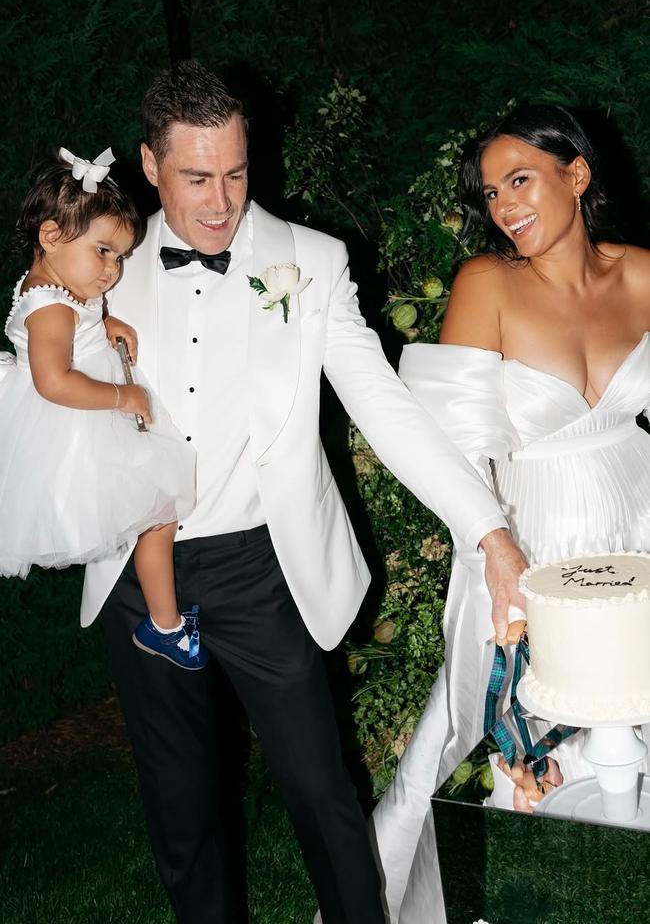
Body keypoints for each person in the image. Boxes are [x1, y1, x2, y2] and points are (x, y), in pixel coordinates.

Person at [83, 59, 524, 924]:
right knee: (182, 808)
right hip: (139, 570)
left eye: (237, 173)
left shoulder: (311, 264)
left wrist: (488, 530)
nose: (219, 202)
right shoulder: (104, 267)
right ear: (147, 165)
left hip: (263, 567)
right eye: (196, 178)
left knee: (323, 793)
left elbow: (390, 413)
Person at [371, 103, 650, 923]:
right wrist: (496, 559)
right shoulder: (487, 284)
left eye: (519, 180)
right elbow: (454, 458)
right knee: (517, 738)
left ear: (578, 174)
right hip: (533, 541)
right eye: (490, 193)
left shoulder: (643, 272)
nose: (503, 207)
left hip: (641, 531)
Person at [0, 150, 203, 670]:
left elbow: (79, 316)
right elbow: (54, 383)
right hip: (75, 426)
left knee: (154, 517)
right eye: (104, 252)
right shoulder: (49, 307)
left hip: (87, 421)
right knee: (157, 515)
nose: (112, 271)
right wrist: (124, 396)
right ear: (51, 237)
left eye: (120, 258)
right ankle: (166, 627)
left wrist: (104, 317)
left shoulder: (60, 288)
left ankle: (165, 623)